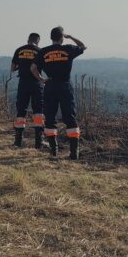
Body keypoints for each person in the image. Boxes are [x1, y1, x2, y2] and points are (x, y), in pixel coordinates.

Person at [30, 26, 87, 158]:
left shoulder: (43, 52)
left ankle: (53, 151)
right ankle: (74, 153)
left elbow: (33, 68)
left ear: (51, 38)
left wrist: (42, 79)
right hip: (65, 86)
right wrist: (71, 37)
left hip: (50, 85)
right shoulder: (68, 49)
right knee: (70, 117)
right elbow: (83, 46)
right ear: (61, 38)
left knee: (50, 118)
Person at [10, 33, 45, 148]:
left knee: (21, 109)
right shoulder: (40, 51)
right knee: (38, 110)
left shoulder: (19, 50)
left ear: (28, 40)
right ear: (38, 41)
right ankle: (39, 142)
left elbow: (12, 68)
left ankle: (18, 140)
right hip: (36, 83)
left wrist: (21, 65)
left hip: (23, 83)